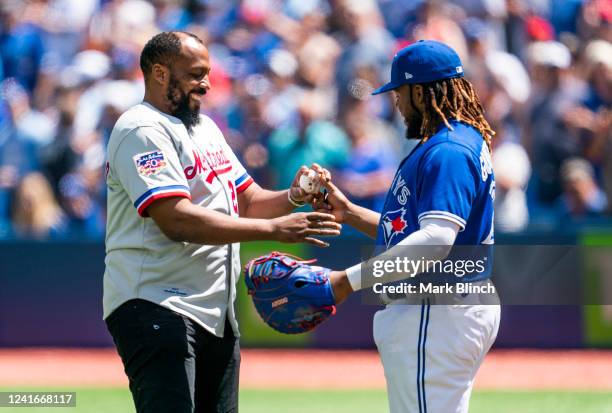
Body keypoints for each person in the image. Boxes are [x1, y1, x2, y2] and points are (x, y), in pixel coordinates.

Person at [103, 31, 340, 413]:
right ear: (160, 73)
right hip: (156, 302)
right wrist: (274, 231)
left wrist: (294, 195)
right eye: (196, 73)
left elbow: (247, 200)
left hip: (215, 311)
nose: (207, 84)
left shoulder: (205, 128)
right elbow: (175, 219)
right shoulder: (142, 128)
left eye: (208, 73)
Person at [317, 40, 501, 413]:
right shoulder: (456, 140)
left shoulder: (447, 149)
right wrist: (351, 212)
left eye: (399, 92)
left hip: (435, 308)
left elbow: (434, 241)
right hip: (444, 308)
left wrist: (346, 281)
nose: (395, 103)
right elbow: (414, 232)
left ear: (420, 91)